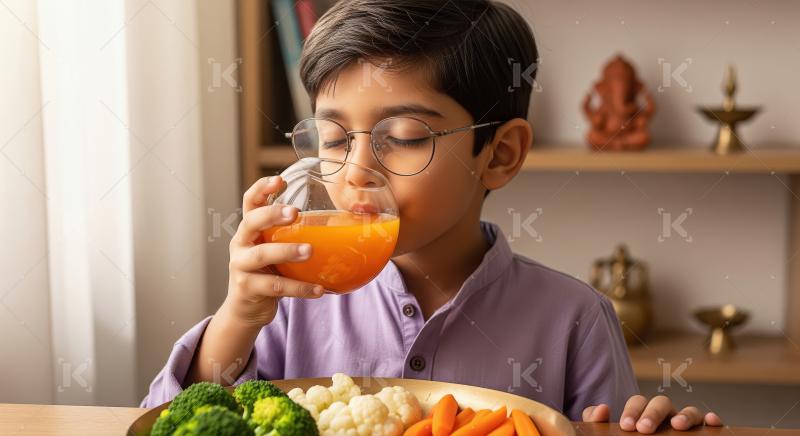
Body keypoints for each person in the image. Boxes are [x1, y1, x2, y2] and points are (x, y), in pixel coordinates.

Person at [141, 0, 722, 432]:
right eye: (335, 137)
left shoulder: (576, 319)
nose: (356, 171)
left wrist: (648, 424)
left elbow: (605, 425)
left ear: (499, 155)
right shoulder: (290, 300)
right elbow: (172, 421)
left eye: (404, 137)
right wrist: (238, 316)